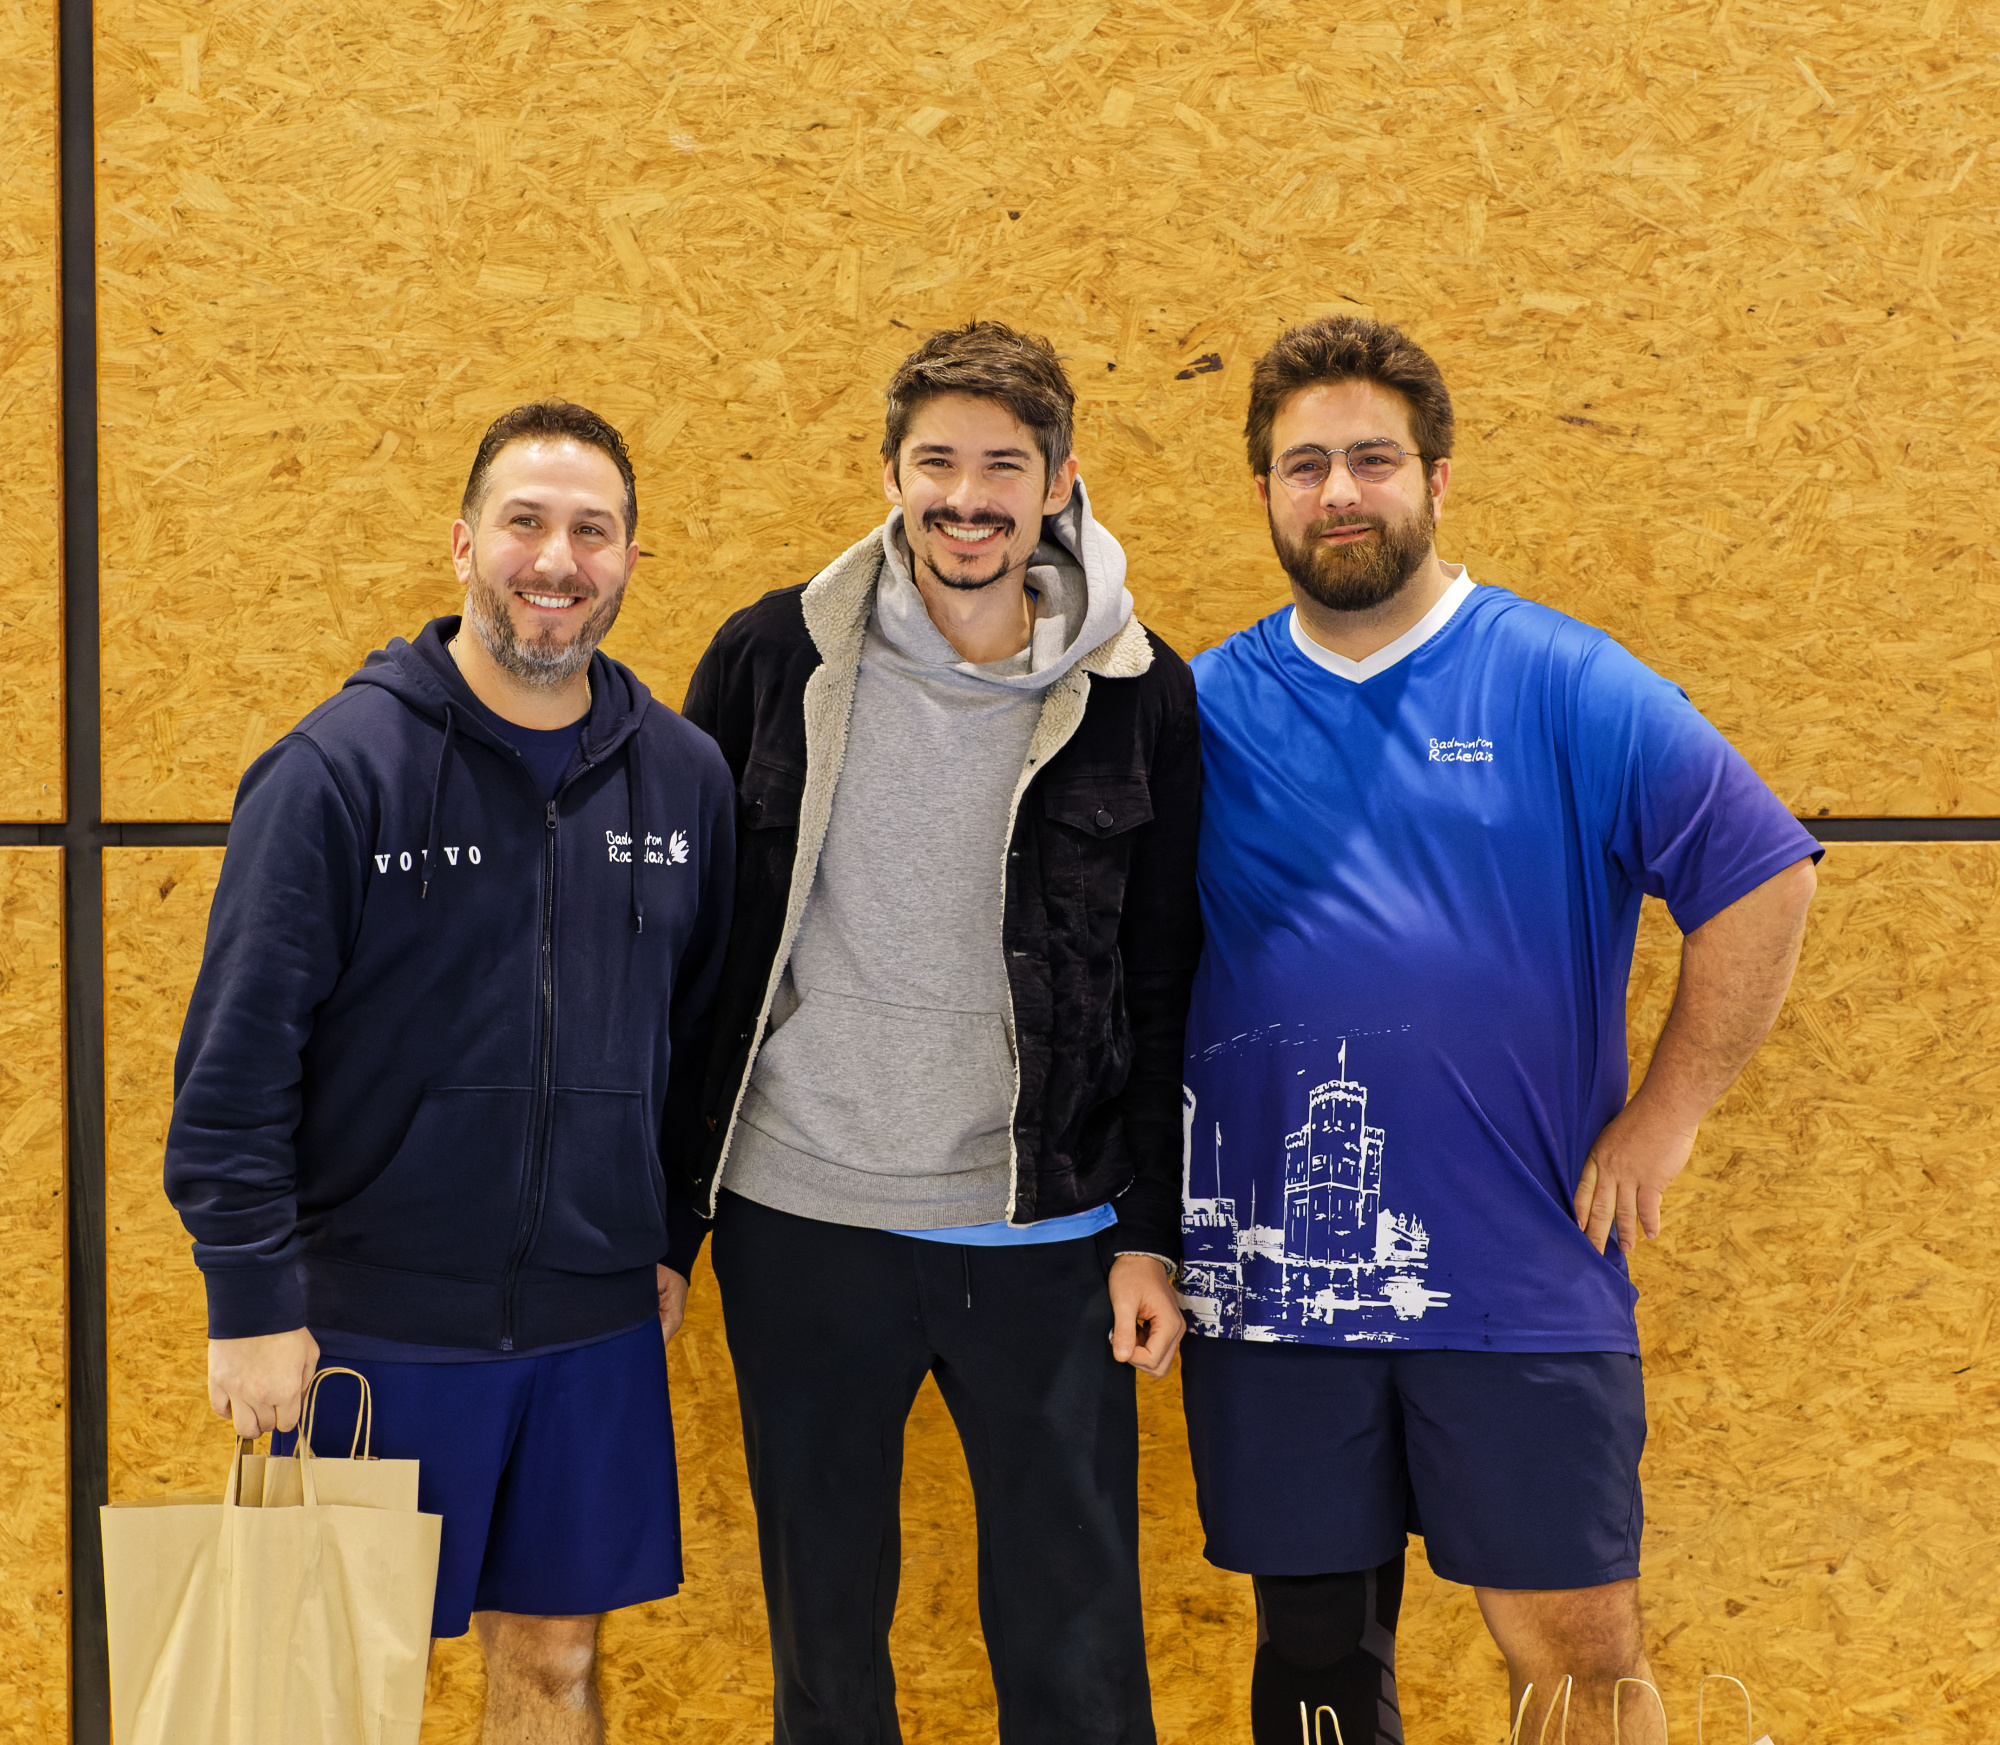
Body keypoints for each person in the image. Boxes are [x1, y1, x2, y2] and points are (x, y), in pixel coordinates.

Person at [1175, 317, 1819, 1745]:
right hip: (1279, 1298)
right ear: (1266, 491)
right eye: (1304, 466)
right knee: (1315, 1664)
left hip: (1522, 1276)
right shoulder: (1202, 708)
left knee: (1580, 1665)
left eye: (1373, 459)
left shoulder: (1562, 679)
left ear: (1438, 479)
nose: (1340, 491)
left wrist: (1668, 1115)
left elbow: (1763, 872)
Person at [166, 400, 734, 1744]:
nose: (557, 559)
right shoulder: (334, 770)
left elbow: (702, 1036)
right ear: (465, 545)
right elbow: (236, 1061)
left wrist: (668, 1234)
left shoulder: (684, 776)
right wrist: (249, 1299)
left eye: (592, 530)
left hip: (588, 1329)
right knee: (322, 1685)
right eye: (525, 522)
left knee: (555, 1662)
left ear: (630, 559)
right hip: (369, 1324)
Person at [679, 320, 1201, 1745]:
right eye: (937, 463)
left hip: (1043, 1229)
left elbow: (1162, 979)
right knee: (826, 1654)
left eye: (1004, 467)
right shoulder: (772, 656)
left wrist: (1148, 1233)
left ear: (1060, 481)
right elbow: (693, 960)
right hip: (801, 1219)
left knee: (1076, 1659)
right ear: (891, 472)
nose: (967, 499)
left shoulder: (1138, 691)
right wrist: (668, 1230)